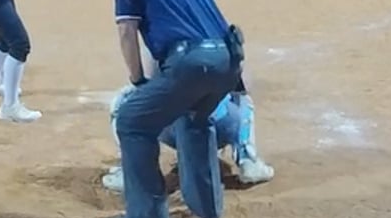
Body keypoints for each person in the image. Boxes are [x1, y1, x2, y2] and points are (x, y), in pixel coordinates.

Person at [109, 0, 244, 218]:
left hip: (189, 61)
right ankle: (208, 209)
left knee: (132, 121)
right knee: (194, 118)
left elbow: (127, 30)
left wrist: (138, 80)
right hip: (228, 58)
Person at [101, 67, 273, 193]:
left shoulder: (160, 39)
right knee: (242, 99)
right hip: (222, 124)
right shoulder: (218, 37)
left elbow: (144, 82)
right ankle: (248, 160)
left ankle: (131, 173)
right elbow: (243, 84)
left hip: (167, 127)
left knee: (123, 100)